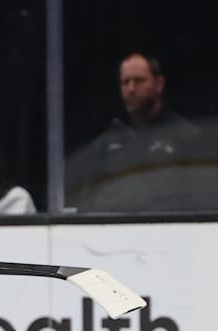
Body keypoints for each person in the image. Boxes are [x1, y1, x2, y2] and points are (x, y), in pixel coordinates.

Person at [68, 51, 203, 212]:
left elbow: (199, 198)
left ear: (159, 84)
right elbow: (88, 201)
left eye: (139, 81)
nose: (131, 89)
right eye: (125, 82)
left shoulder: (185, 136)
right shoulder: (107, 143)